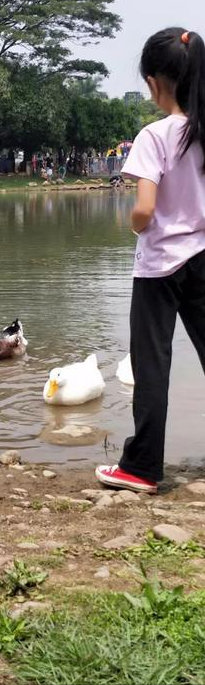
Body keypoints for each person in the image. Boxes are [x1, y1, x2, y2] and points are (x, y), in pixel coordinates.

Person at [96, 27, 205, 494]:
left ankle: (141, 468)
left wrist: (137, 226)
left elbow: (143, 209)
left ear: (156, 82)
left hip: (160, 266)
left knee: (152, 365)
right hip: (203, 257)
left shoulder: (154, 135)